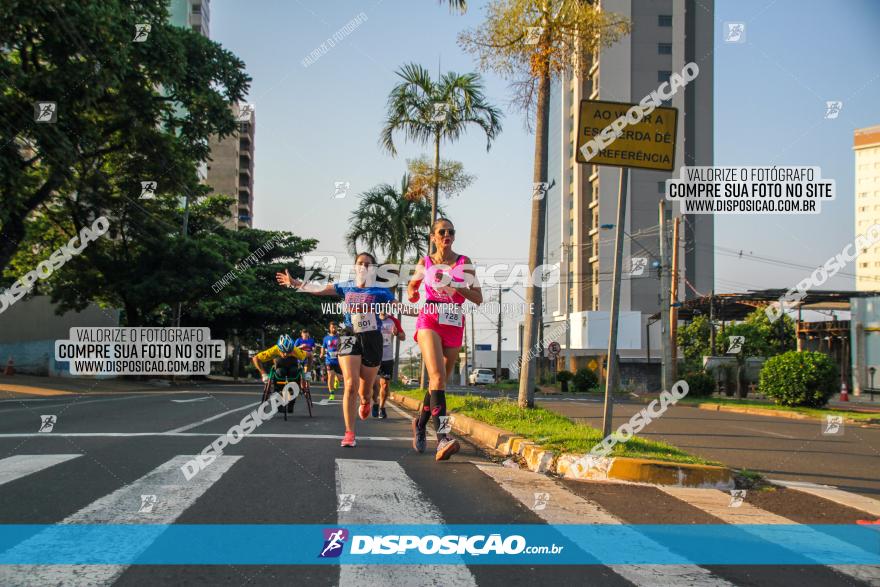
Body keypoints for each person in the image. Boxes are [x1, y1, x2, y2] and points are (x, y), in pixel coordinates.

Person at [276, 253, 398, 447]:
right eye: (360, 263)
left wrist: (423, 311)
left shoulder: (380, 290)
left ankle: (366, 401)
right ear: (355, 266)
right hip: (349, 334)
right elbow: (319, 289)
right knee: (350, 383)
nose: (364, 267)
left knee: (365, 391)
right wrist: (295, 283)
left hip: (372, 337)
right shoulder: (346, 286)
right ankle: (349, 433)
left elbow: (396, 306)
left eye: (368, 264)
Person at [407, 218, 482, 461]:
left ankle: (420, 424)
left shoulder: (464, 262)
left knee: (438, 384)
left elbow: (478, 297)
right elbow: (412, 287)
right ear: (433, 237)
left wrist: (457, 287)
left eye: (451, 231)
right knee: (437, 377)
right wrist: (413, 293)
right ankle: (443, 438)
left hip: (453, 322)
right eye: (442, 231)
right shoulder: (425, 262)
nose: (446, 234)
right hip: (429, 318)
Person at [252, 335, 308, 410]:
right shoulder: (274, 349)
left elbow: (310, 356)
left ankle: (292, 400)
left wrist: (308, 373)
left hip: (293, 367)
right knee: (280, 372)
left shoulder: (296, 350)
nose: (285, 354)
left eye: (288, 352)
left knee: (294, 372)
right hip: (280, 367)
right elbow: (255, 358)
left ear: (292, 349)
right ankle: (278, 397)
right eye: (283, 352)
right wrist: (263, 374)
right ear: (279, 348)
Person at [372, 311, 405, 419]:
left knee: (385, 385)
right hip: (374, 357)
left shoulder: (393, 320)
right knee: (374, 385)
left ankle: (382, 407)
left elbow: (403, 336)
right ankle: (375, 403)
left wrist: (396, 333)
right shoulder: (372, 318)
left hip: (387, 358)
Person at [321, 321, 342, 401]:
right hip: (329, 360)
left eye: (335, 327)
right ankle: (331, 394)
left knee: (340, 378)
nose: (334, 328)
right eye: (332, 327)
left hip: (339, 360)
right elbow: (323, 347)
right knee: (330, 375)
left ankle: (337, 380)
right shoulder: (326, 338)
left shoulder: (339, 337)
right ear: (330, 328)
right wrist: (322, 353)